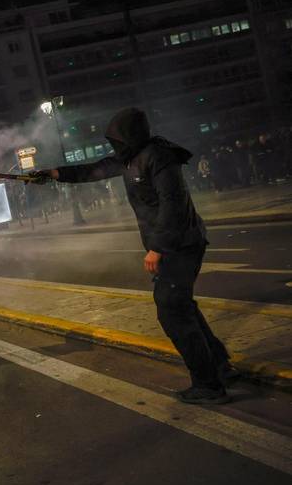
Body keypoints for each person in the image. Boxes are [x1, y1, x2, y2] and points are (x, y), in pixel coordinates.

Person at [29, 107, 240, 405]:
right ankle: (219, 366)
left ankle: (209, 385)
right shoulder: (129, 159)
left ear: (129, 136)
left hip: (180, 245)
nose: (114, 146)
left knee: (172, 310)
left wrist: (158, 248)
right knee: (182, 306)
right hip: (173, 245)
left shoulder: (159, 156)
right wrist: (51, 174)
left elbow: (173, 204)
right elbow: (90, 171)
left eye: (117, 140)